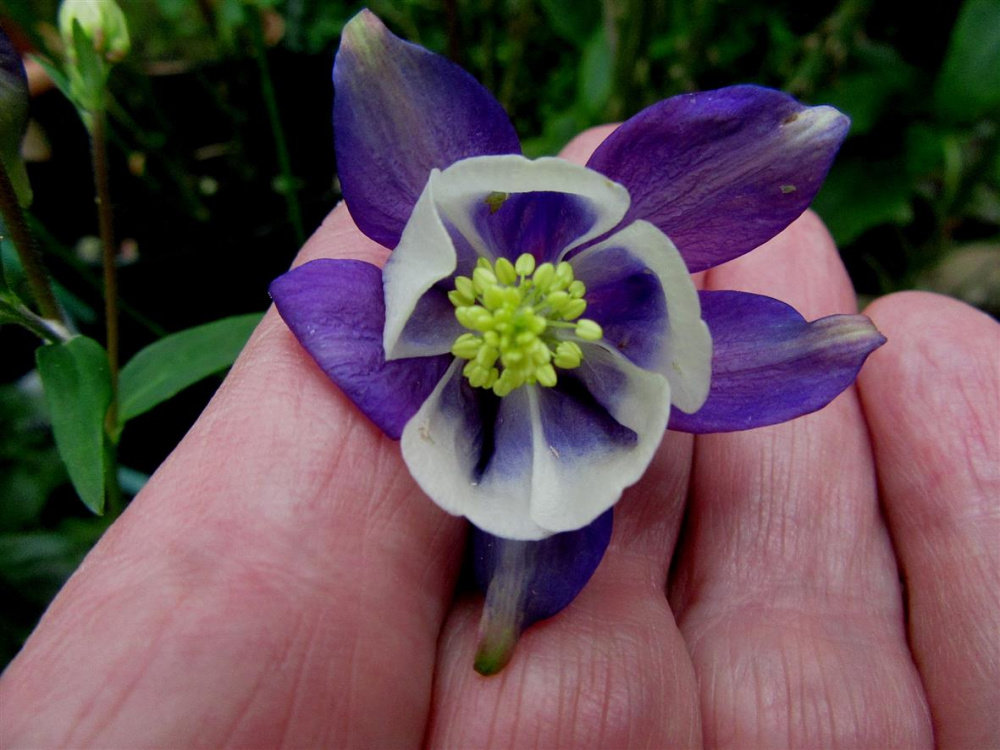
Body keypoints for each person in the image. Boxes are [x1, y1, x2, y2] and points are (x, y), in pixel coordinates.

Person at [1, 127, 997, 749]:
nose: (519, 324)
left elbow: (776, 246)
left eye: (526, 314)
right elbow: (332, 287)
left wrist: (825, 342)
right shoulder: (372, 305)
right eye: (506, 316)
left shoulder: (663, 296)